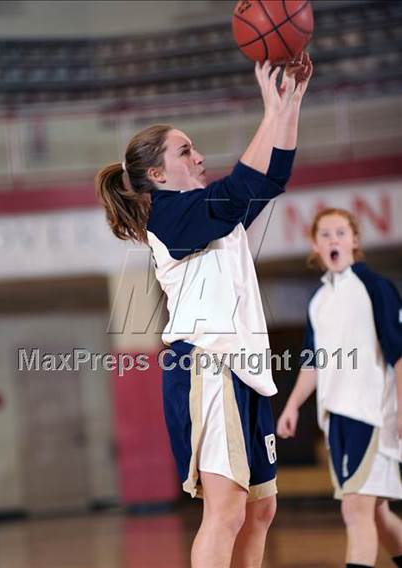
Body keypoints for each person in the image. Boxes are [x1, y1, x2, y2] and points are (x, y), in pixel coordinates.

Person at [96, 53, 313, 568]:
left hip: (244, 369)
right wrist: (268, 109)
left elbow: (270, 176)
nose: (198, 155)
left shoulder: (218, 215)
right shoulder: (170, 218)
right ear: (157, 173)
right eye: (185, 150)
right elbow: (240, 185)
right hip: (205, 368)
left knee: (261, 510)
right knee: (227, 510)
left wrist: (290, 105)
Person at [277, 207, 402, 568]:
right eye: (326, 234)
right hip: (335, 420)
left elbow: (398, 353)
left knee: (355, 510)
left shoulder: (374, 287)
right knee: (376, 512)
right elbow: (312, 363)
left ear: (355, 240)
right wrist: (292, 406)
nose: (334, 240)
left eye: (341, 233)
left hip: (372, 413)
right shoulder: (319, 301)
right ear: (315, 245)